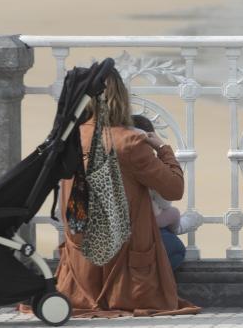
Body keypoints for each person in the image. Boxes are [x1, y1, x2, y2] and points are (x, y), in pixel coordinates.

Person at [54, 68, 200, 318]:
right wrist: (164, 149)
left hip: (81, 270)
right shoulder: (129, 142)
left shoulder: (71, 139)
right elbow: (174, 189)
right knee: (174, 247)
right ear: (121, 98)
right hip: (127, 269)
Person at [131, 115, 189, 271]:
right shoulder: (147, 162)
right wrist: (162, 149)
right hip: (145, 227)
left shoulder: (109, 152)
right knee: (175, 249)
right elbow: (172, 193)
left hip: (114, 233)